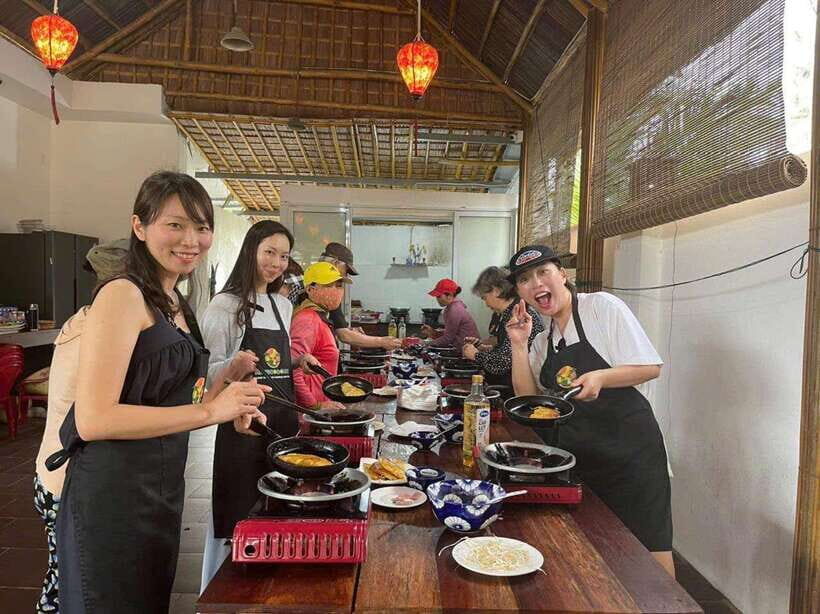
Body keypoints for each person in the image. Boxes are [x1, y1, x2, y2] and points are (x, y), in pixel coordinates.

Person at [51, 171, 269, 613]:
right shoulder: (122, 295)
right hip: (114, 493)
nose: (192, 239)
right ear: (139, 227)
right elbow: (95, 420)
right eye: (176, 224)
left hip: (162, 488)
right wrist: (211, 414)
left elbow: (175, 398)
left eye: (203, 227)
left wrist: (229, 400)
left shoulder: (174, 302)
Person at [505, 245, 674, 577]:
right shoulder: (543, 339)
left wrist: (601, 377)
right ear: (520, 293)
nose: (536, 283)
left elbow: (650, 366)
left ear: (562, 276)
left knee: (651, 550)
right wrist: (519, 345)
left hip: (631, 456)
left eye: (543, 272)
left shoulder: (602, 307)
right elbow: (528, 399)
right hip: (581, 456)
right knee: (599, 550)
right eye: (525, 279)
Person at [199, 221, 302, 589]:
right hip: (242, 426)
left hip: (282, 422)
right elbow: (203, 380)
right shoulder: (224, 305)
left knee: (280, 511)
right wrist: (232, 366)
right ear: (250, 252)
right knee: (239, 513)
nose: (276, 263)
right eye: (269, 253)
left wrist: (298, 362)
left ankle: (271, 590)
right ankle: (223, 593)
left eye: (284, 256)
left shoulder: (283, 305)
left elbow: (276, 362)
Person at [32, 239, 128, 614]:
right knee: (73, 587)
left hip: (55, 473)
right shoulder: (101, 330)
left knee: (66, 577)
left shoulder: (84, 317)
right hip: (67, 480)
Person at [461, 266, 545, 387]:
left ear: (496, 290)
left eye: (484, 298)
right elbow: (505, 351)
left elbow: (502, 363)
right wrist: (481, 347)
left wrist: (475, 355)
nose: (485, 304)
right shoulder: (507, 313)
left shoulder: (519, 314)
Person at [315, 243, 401, 351]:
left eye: (338, 285)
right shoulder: (319, 294)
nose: (345, 276)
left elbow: (339, 328)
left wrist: (351, 331)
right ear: (335, 263)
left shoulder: (330, 296)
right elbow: (344, 335)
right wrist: (381, 341)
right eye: (346, 271)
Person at [290, 262, 351, 408]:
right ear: (310, 289)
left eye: (338, 285)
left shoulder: (319, 316)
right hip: (310, 415)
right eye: (328, 286)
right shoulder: (308, 320)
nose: (336, 291)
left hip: (324, 405)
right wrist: (315, 406)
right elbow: (293, 370)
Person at [421, 278, 480, 349]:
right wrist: (433, 332)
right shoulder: (453, 307)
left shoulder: (454, 310)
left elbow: (448, 339)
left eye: (439, 296)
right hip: (464, 348)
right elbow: (451, 333)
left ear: (449, 295)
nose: (437, 299)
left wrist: (424, 343)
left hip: (469, 351)